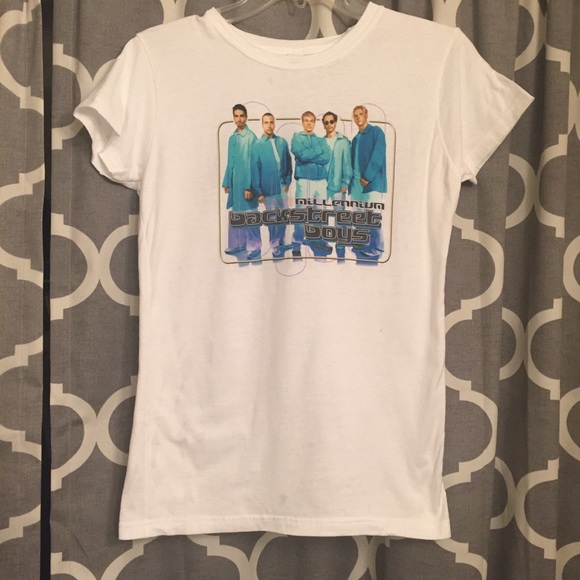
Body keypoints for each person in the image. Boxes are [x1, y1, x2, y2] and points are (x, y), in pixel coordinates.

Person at [251, 113, 293, 259]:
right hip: (268, 189)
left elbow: (288, 162)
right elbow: (255, 169)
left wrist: (288, 181)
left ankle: (280, 242)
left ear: (274, 123)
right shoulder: (257, 145)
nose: (269, 125)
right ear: (262, 124)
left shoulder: (282, 142)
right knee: (273, 218)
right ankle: (274, 245)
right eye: (266, 122)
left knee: (284, 216)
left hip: (282, 187)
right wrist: (259, 191)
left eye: (271, 122)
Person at [222, 104, 261, 260]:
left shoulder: (251, 138)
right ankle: (236, 244)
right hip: (235, 184)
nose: (239, 119)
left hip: (247, 183)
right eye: (236, 116)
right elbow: (230, 161)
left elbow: (254, 164)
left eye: (241, 116)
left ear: (246, 117)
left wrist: (249, 186)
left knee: (250, 214)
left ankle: (254, 247)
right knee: (236, 214)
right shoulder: (232, 138)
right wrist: (227, 181)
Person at [291, 111, 331, 257]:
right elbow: (302, 155)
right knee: (301, 212)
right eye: (306, 120)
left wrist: (309, 156)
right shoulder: (297, 137)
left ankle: (317, 240)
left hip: (321, 181)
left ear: (314, 123)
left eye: (311, 121)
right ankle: (297, 242)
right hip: (304, 180)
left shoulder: (321, 140)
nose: (309, 123)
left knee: (320, 212)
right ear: (302, 122)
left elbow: (326, 157)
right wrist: (317, 151)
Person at [350, 105, 387, 260]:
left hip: (371, 183)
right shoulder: (355, 139)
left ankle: (376, 248)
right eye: (355, 115)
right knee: (359, 215)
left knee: (372, 216)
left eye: (361, 114)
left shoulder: (376, 132)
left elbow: (378, 155)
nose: (358, 117)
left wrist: (368, 176)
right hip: (356, 185)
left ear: (366, 115)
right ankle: (361, 242)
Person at [323, 111, 352, 259]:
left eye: (331, 122)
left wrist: (345, 183)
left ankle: (341, 247)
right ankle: (322, 244)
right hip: (322, 185)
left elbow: (347, 163)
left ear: (335, 123)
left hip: (338, 185)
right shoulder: (321, 142)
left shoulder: (343, 142)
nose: (329, 125)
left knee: (340, 216)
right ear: (323, 125)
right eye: (326, 122)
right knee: (320, 215)